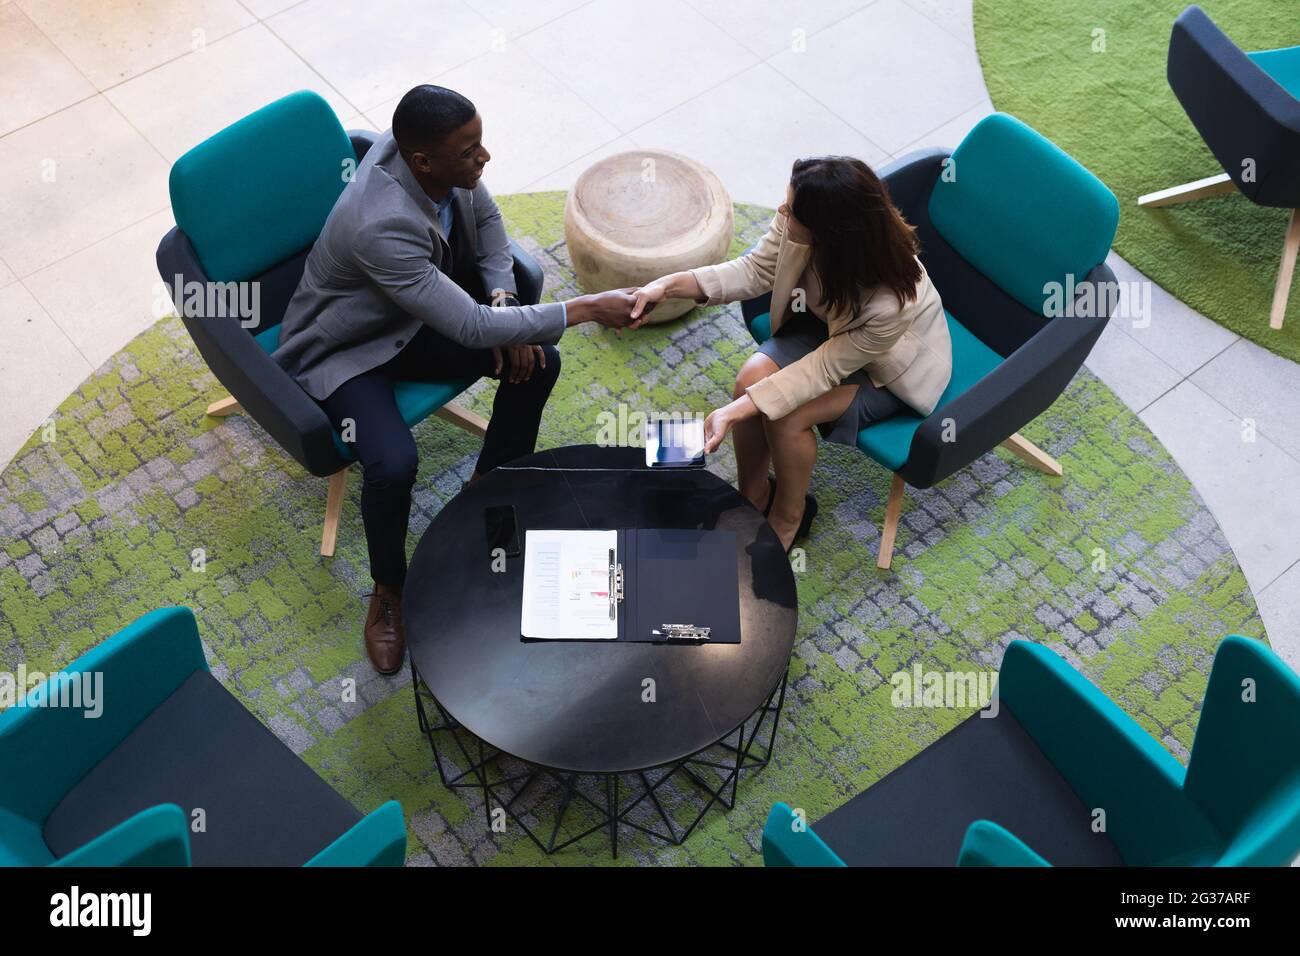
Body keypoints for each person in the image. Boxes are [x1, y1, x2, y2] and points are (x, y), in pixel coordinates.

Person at [274, 84, 638, 675]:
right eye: (470, 150)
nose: (484, 157)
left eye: (479, 141)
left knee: (539, 363)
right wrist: (587, 308)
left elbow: (489, 224)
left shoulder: (439, 160)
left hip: (415, 317)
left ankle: (488, 502)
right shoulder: (379, 223)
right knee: (393, 464)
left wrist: (501, 296)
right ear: (421, 161)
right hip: (350, 348)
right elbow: (469, 326)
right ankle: (389, 591)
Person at [631, 156, 953, 552]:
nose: (782, 210)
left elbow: (822, 370)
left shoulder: (892, 302)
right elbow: (753, 270)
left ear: (832, 231)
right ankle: (753, 495)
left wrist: (731, 415)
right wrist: (668, 286)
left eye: (791, 208)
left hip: (888, 370)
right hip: (829, 328)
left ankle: (789, 515)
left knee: (787, 416)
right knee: (750, 377)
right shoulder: (800, 223)